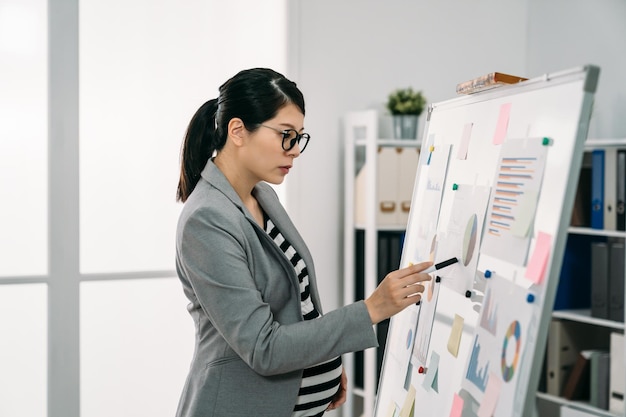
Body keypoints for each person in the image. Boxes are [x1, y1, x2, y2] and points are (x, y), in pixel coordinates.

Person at [174, 67, 432, 417]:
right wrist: (371, 309)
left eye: (299, 137)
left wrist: (325, 360)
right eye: (286, 135)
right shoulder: (207, 219)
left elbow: (298, 298)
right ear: (237, 131)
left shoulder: (262, 195)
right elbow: (263, 347)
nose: (295, 150)